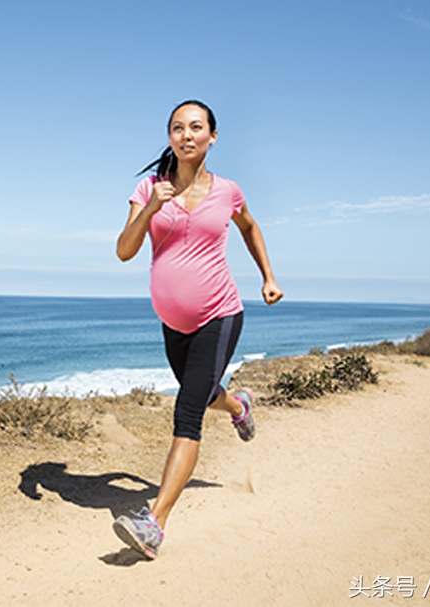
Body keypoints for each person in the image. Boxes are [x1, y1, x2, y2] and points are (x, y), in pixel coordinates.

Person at [112, 100, 283, 559]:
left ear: (212, 136)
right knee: (205, 394)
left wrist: (267, 276)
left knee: (187, 413)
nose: (186, 135)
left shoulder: (228, 191)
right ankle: (238, 405)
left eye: (195, 127)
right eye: (177, 128)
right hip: (173, 323)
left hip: (219, 314)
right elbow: (125, 251)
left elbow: (249, 228)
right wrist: (150, 209)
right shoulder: (149, 188)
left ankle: (155, 525)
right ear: (169, 137)